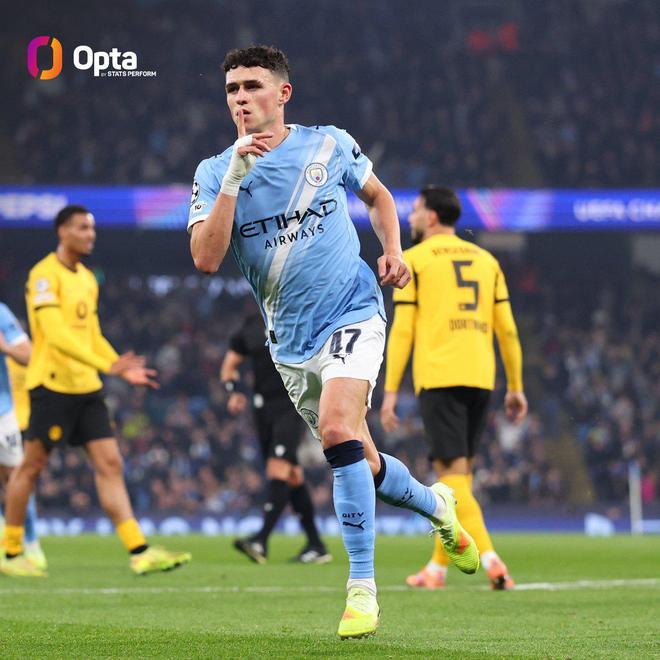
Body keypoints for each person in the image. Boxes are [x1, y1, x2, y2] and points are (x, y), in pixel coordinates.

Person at [188, 45, 479, 639]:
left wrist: (393, 250)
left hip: (353, 311)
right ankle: (437, 506)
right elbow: (206, 258)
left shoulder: (327, 144)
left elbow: (379, 197)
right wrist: (235, 180)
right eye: (232, 89)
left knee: (339, 429)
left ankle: (362, 590)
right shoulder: (214, 171)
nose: (240, 98)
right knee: (360, 459)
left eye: (252, 86)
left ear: (283, 93)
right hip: (289, 343)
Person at [0, 205, 191, 577]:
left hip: (86, 388)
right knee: (31, 467)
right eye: (82, 228)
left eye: (92, 228)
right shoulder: (44, 275)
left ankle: (139, 550)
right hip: (51, 385)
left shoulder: (87, 279)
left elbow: (92, 335)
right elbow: (54, 335)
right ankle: (11, 551)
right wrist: (106, 365)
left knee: (110, 464)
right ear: (62, 231)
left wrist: (120, 366)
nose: (91, 234)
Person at [380, 185, 528, 591]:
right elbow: (508, 330)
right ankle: (436, 568)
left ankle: (492, 559)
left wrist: (390, 391)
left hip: (440, 377)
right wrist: (515, 386)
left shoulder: (414, 259)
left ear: (431, 216)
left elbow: (404, 329)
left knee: (451, 478)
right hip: (481, 378)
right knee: (458, 479)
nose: (410, 217)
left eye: (415, 210)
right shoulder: (486, 260)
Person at [221, 312, 331, 564]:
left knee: (277, 468)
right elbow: (229, 365)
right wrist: (233, 391)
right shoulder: (251, 325)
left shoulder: (299, 315)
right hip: (262, 410)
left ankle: (261, 539)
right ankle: (316, 545)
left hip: (291, 406)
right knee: (292, 476)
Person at [0, 304, 46, 568]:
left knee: (16, 479)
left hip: (6, 415)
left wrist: (4, 347)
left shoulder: (1, 313)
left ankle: (29, 544)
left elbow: (29, 356)